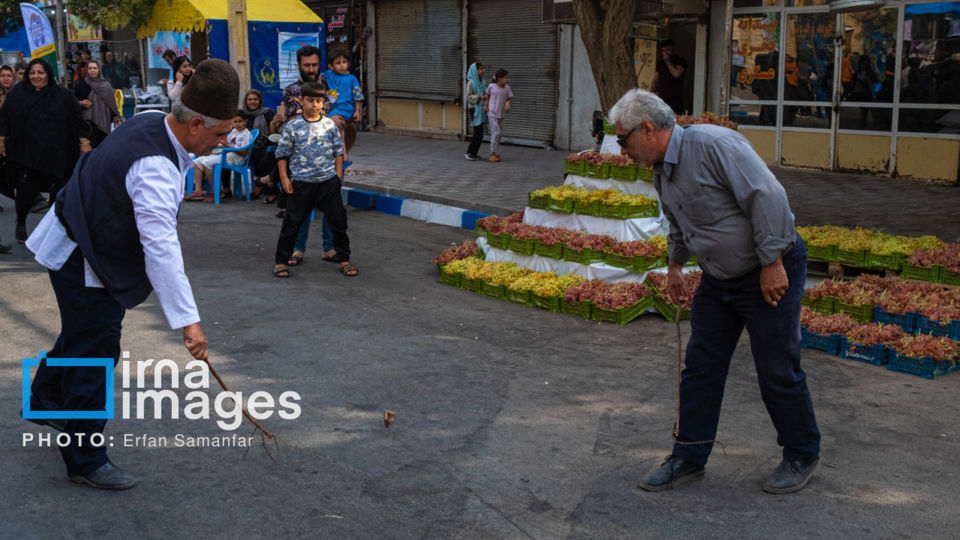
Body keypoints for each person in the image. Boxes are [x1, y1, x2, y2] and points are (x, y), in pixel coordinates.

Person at [23, 59, 238, 489]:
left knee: (85, 332)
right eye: (218, 133)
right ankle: (84, 459)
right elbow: (161, 249)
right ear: (194, 123)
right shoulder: (155, 167)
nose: (224, 140)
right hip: (81, 250)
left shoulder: (155, 121)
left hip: (82, 234)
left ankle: (46, 395)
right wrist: (189, 322)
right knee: (96, 349)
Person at [610, 89, 820, 494]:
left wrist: (773, 262)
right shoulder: (661, 168)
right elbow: (678, 219)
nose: (622, 149)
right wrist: (674, 264)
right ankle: (689, 455)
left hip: (767, 269)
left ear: (648, 129)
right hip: (718, 277)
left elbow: (768, 196)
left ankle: (801, 453)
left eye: (623, 139)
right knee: (701, 365)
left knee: (777, 368)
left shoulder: (715, 145)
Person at [272, 82, 357, 278]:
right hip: (301, 183)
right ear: (301, 101)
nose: (315, 105)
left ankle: (344, 259)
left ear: (324, 103)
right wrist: (285, 179)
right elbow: (282, 154)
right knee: (292, 223)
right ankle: (281, 262)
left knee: (338, 223)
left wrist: (336, 177)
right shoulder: (292, 126)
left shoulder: (329, 125)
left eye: (319, 101)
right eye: (310, 100)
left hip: (327, 183)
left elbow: (338, 151)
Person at [0, 59, 89, 244]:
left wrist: (84, 142)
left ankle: (55, 227)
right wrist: (1, 139)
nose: (36, 76)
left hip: (59, 152)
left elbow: (76, 119)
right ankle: (21, 221)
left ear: (48, 74)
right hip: (27, 152)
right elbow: (5, 119)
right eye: (32, 72)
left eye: (40, 72)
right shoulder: (17, 95)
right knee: (26, 192)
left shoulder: (63, 95)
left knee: (59, 192)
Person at [190, 110, 251, 203]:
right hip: (227, 155)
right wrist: (220, 145)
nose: (237, 124)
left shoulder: (246, 134)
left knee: (207, 163)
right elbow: (228, 144)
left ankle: (216, 192)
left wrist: (226, 146)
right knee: (196, 162)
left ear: (245, 121)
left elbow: (243, 152)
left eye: (240, 121)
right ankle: (198, 191)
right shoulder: (234, 131)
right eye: (235, 122)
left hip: (237, 159)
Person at [321, 50, 363, 162]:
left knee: (338, 124)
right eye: (338, 63)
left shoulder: (352, 79)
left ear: (348, 64)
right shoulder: (328, 75)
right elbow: (318, 78)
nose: (342, 65)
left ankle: (343, 152)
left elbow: (357, 95)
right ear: (331, 66)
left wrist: (357, 111)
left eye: (344, 62)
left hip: (346, 108)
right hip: (334, 107)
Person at [74, 59, 123, 148]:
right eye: (90, 68)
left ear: (99, 70)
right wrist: (81, 103)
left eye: (95, 68)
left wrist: (118, 120)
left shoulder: (106, 85)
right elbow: (73, 103)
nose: (92, 70)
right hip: (88, 126)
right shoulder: (81, 85)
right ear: (87, 70)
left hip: (104, 123)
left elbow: (112, 105)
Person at [651, 39, 687, 115]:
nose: (666, 53)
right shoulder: (661, 63)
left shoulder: (680, 61)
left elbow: (676, 74)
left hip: (674, 101)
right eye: (663, 51)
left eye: (668, 50)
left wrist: (668, 61)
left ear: (673, 49)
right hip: (661, 100)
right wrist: (651, 94)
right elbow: (655, 80)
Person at [485, 68, 513, 163]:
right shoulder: (491, 86)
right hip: (492, 113)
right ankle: (492, 153)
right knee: (496, 132)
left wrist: (508, 103)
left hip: (501, 114)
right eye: (506, 77)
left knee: (498, 134)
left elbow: (509, 98)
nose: (507, 79)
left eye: (507, 77)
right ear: (499, 78)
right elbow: (487, 96)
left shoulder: (507, 88)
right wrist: (486, 105)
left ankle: (495, 153)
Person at [464, 61, 487, 161]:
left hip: (481, 109)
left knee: (480, 133)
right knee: (478, 133)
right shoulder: (471, 82)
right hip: (474, 109)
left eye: (483, 68)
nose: (483, 71)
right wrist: (479, 96)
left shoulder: (483, 82)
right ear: (475, 70)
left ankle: (473, 153)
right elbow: (468, 97)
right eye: (481, 69)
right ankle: (469, 153)